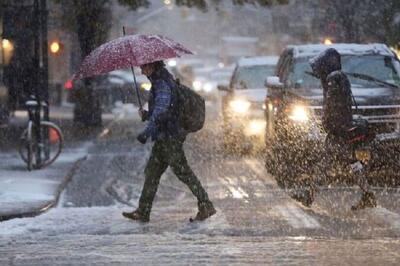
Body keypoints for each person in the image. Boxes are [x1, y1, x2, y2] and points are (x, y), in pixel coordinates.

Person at [122, 61, 216, 222]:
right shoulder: (161, 81)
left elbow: (161, 113)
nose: (141, 70)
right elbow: (161, 111)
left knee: (183, 173)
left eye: (144, 67)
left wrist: (146, 132)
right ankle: (143, 211)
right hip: (163, 138)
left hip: (170, 138)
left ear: (153, 66)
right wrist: (146, 115)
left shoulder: (162, 84)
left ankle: (206, 204)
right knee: (152, 173)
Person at [308, 48, 377, 210]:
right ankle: (368, 194)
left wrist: (331, 125)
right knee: (349, 162)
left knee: (326, 164)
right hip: (341, 129)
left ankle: (309, 196)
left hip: (338, 130)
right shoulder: (338, 77)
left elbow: (334, 106)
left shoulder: (334, 79)